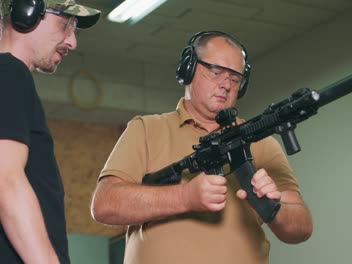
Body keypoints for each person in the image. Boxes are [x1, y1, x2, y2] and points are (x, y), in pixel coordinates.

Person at [91, 31, 313, 264]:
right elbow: (105, 205)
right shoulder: (146, 129)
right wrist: (185, 197)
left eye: (235, 79)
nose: (226, 85)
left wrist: (273, 207)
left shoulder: (262, 142)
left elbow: (301, 228)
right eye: (216, 72)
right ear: (188, 69)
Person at [0, 0, 100, 263]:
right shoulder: (9, 73)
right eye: (65, 23)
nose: (72, 41)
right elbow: (5, 181)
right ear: (27, 11)